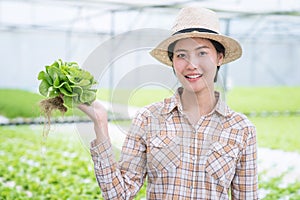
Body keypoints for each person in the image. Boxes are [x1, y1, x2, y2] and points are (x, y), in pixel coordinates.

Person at [78, 7, 258, 199]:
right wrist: (100, 123)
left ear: (219, 58)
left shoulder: (241, 129)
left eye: (202, 53)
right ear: (172, 61)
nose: (191, 64)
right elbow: (118, 195)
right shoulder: (148, 118)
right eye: (181, 55)